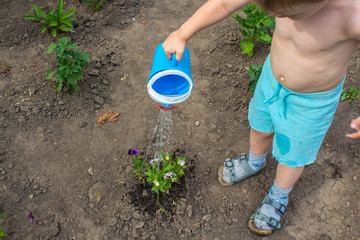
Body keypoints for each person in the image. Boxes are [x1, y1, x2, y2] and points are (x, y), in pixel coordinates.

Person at [162, 0, 360, 236]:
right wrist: (182, 33)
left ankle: (278, 195)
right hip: (271, 81)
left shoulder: (352, 15)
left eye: (288, 14)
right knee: (260, 127)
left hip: (311, 102)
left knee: (292, 153)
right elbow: (225, 4)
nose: (275, 15)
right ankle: (255, 161)